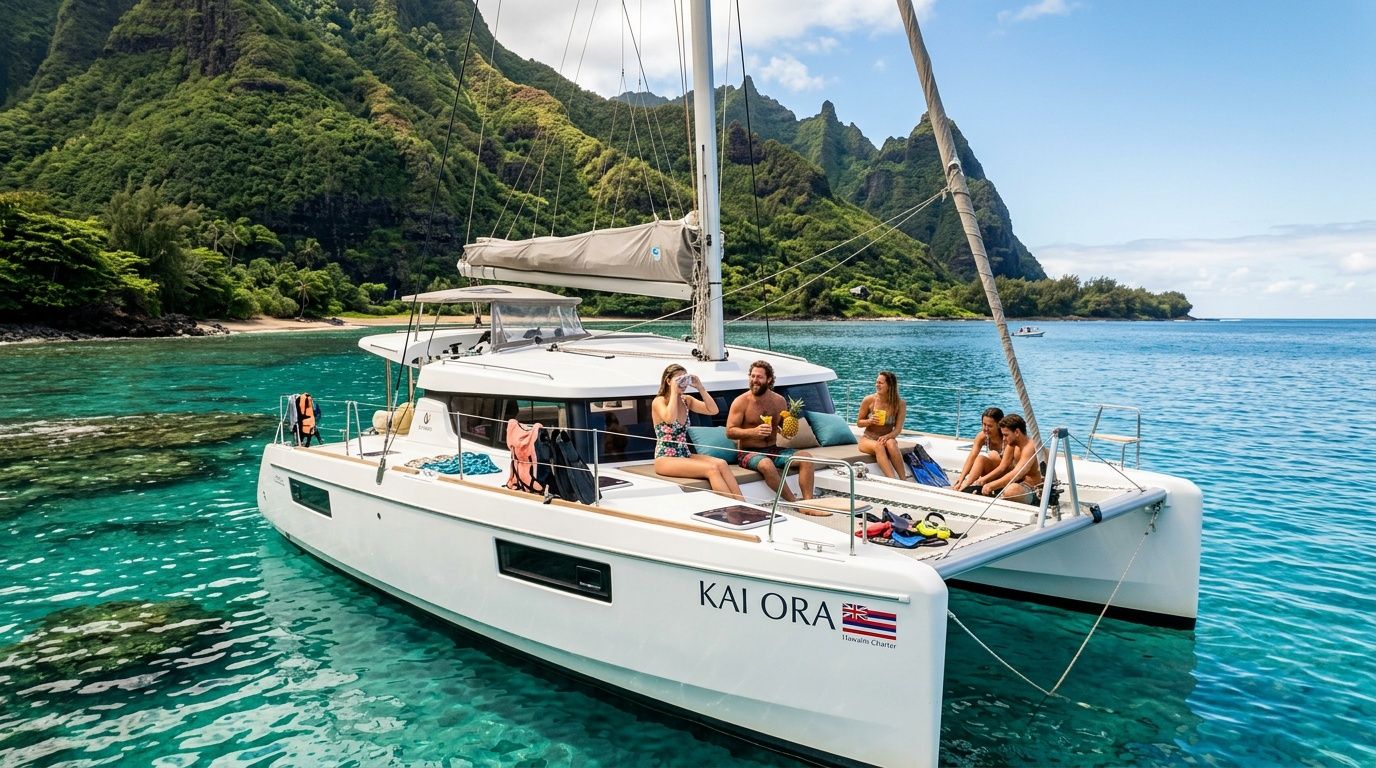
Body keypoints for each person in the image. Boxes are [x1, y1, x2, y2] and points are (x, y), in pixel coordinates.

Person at [726, 360, 815, 502]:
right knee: (766, 464)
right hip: (748, 452)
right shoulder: (741, 401)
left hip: (773, 450)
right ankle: (795, 503)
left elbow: (780, 426)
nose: (755, 380)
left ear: (769, 379)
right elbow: (730, 431)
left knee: (806, 458)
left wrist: (785, 431)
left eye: (759, 377)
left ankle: (809, 502)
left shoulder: (779, 401)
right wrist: (753, 432)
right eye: (752, 376)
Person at [652, 364, 743, 498]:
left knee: (721, 464)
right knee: (711, 470)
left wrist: (700, 387)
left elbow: (713, 410)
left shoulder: (686, 400)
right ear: (668, 381)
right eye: (679, 379)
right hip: (665, 458)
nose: (683, 383)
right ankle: (733, 510)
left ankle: (744, 504)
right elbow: (669, 419)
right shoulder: (659, 401)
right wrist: (674, 391)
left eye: (685, 379)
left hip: (684, 454)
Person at [971, 414, 1043, 504]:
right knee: (982, 463)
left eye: (1006, 435)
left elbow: (1017, 473)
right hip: (1019, 483)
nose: (1004, 439)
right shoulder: (1012, 443)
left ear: (1017, 432)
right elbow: (1002, 467)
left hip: (1033, 489)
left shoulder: (1030, 446)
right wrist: (983, 480)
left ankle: (1034, 502)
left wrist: (992, 485)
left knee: (1012, 490)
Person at [857, 371, 909, 479]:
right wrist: (869, 421)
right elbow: (859, 422)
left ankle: (903, 479)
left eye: (880, 383)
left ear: (889, 386)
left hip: (886, 438)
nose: (877, 385)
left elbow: (898, 429)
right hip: (868, 439)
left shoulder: (900, 404)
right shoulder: (869, 400)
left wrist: (887, 437)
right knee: (879, 446)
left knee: (891, 444)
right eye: (877, 382)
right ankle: (892, 479)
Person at [954, 407, 1005, 491]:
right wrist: (961, 477)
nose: (986, 428)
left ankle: (970, 485)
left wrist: (982, 479)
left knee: (993, 456)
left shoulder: (1006, 438)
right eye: (984, 424)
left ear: (999, 425)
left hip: (1005, 475)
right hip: (992, 474)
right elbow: (972, 456)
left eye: (990, 426)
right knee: (980, 458)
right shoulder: (982, 436)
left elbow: (1005, 466)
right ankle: (966, 485)